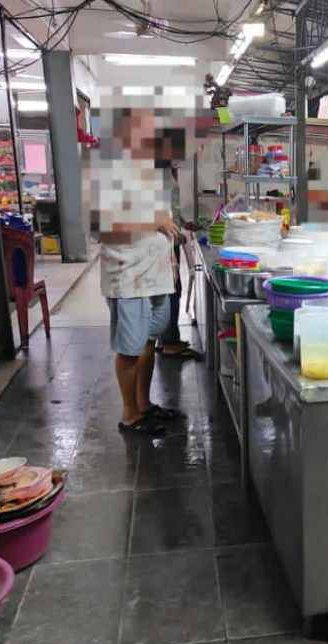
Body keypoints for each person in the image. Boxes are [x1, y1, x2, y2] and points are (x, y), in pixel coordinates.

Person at [84, 105, 185, 435]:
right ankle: (130, 414)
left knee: (148, 341)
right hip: (129, 275)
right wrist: (153, 221)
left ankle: (144, 404)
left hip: (155, 273)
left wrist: (173, 237)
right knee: (130, 347)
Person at [156, 163, 201, 359]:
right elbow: (157, 213)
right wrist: (175, 234)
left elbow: (170, 209)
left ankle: (166, 337)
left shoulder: (168, 170)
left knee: (173, 288)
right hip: (164, 243)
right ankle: (169, 342)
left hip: (170, 239)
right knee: (171, 290)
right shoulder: (157, 172)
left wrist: (182, 222)